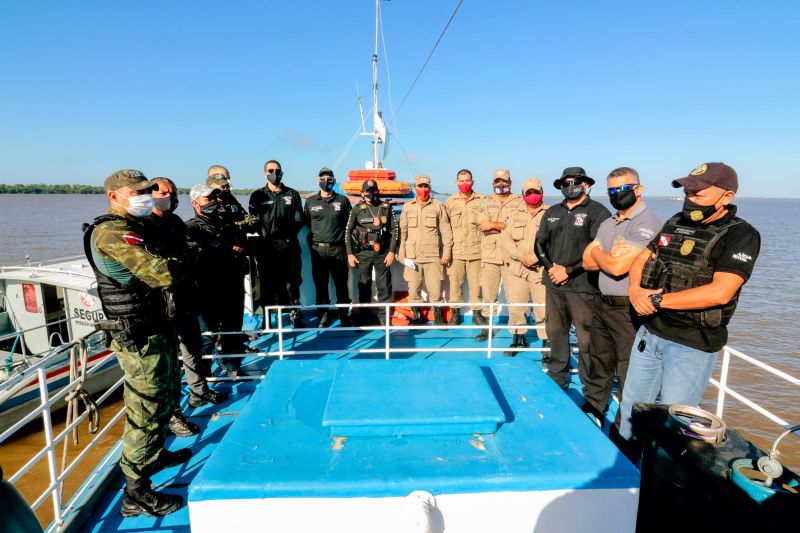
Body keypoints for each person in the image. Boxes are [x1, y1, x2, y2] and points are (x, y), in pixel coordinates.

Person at [619, 162, 761, 443]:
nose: (689, 200)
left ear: (727, 196)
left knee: (674, 421)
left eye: (698, 194)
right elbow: (642, 259)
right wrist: (635, 290)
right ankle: (627, 474)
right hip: (650, 335)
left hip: (690, 345)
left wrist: (657, 300)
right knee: (631, 411)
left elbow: (720, 292)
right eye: (687, 193)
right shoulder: (675, 222)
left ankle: (659, 482)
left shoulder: (740, 235)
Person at [83, 169, 192, 517]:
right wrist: (184, 258)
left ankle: (155, 454)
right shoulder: (111, 232)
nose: (145, 196)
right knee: (145, 410)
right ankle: (136, 492)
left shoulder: (137, 227)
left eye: (148, 190)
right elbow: (162, 272)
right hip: (137, 336)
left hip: (154, 326)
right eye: (137, 191)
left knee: (165, 397)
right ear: (115, 196)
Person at [580, 168, 662, 428]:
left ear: (639, 189)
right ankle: (593, 409)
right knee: (599, 359)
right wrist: (607, 256)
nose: (617, 195)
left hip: (628, 309)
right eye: (612, 191)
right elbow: (585, 261)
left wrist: (599, 255)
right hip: (603, 303)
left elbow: (618, 268)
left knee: (629, 368)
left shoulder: (646, 223)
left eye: (623, 189)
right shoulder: (609, 223)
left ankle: (625, 426)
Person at [148, 177, 228, 410]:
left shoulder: (174, 222)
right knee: (168, 358)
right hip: (162, 300)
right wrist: (183, 258)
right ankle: (172, 411)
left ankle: (199, 391)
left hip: (185, 295)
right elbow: (158, 266)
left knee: (193, 345)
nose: (169, 198)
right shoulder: (146, 225)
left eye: (172, 193)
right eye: (163, 194)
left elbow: (190, 251)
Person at [535, 167, 611, 389]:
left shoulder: (598, 212)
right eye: (566, 183)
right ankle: (559, 376)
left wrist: (567, 271)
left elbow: (599, 249)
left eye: (575, 182)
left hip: (584, 287)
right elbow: (540, 243)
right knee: (556, 332)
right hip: (553, 283)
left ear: (586, 184)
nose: (570, 186)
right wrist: (552, 269)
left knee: (587, 337)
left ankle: (591, 384)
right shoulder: (552, 212)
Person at [187, 183, 253, 377]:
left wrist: (240, 252)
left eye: (215, 198)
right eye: (208, 199)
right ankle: (204, 372)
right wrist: (224, 251)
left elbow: (242, 244)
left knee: (233, 328)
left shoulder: (226, 225)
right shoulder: (191, 229)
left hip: (232, 285)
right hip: (208, 288)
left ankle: (232, 364)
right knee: (208, 334)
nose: (214, 202)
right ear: (196, 203)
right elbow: (193, 256)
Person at [248, 159, 305, 327]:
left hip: (290, 248)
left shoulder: (292, 194)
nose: (274, 173)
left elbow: (298, 220)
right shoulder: (257, 195)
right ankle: (267, 320)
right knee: (267, 285)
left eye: (277, 170)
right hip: (266, 249)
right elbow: (253, 221)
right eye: (271, 170)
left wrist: (286, 240)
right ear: (265, 173)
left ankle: (295, 314)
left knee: (293, 283)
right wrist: (269, 240)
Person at [500, 178, 549, 355]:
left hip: (541, 270)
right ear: (523, 195)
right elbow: (505, 239)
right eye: (528, 193)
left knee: (543, 307)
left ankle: (546, 343)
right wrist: (522, 256)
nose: (532, 195)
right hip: (517, 269)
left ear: (542, 193)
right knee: (516, 306)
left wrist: (536, 257)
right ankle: (518, 339)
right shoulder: (514, 214)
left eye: (536, 192)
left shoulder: (551, 214)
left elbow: (554, 241)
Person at [398, 175, 453, 325]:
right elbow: (403, 231)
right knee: (413, 287)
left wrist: (447, 252)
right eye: (420, 186)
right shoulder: (408, 207)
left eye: (426, 186)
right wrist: (401, 251)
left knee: (435, 288)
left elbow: (446, 231)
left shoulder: (438, 206)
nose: (423, 189)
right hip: (412, 255)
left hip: (433, 255)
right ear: (415, 188)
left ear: (429, 187)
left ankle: (438, 314)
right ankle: (417, 315)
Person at [474, 169, 522, 340]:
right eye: (497, 181)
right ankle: (487, 329)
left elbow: (518, 225)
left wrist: (493, 225)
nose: (500, 185)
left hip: (512, 256)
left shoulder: (520, 202)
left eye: (504, 181)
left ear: (510, 183)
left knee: (514, 295)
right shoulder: (485, 202)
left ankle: (517, 332)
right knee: (489, 294)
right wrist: (505, 225)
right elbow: (482, 224)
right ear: (493, 183)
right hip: (490, 256)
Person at [304, 167, 352, 327]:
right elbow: (306, 223)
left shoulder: (343, 201)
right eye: (323, 178)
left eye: (329, 178)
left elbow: (349, 225)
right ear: (318, 181)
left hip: (339, 249)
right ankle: (323, 316)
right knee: (321, 285)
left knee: (341, 284)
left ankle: (344, 315)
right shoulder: (310, 201)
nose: (326, 181)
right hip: (318, 250)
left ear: (334, 180)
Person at [345, 179, 398, 325]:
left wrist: (392, 251)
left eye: (374, 190)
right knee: (364, 285)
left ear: (378, 191)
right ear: (362, 193)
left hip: (383, 253)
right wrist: (350, 253)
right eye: (367, 191)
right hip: (363, 253)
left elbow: (395, 231)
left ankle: (384, 318)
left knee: (384, 286)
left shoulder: (386, 208)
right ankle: (364, 317)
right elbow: (348, 231)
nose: (371, 193)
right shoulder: (356, 209)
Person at [443, 169, 484, 325]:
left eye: (467, 181)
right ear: (456, 183)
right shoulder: (450, 202)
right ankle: (455, 314)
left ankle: (477, 314)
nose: (464, 184)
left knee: (476, 286)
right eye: (461, 181)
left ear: (472, 182)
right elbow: (444, 228)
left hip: (476, 251)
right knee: (455, 285)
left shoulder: (482, 201)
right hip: (456, 252)